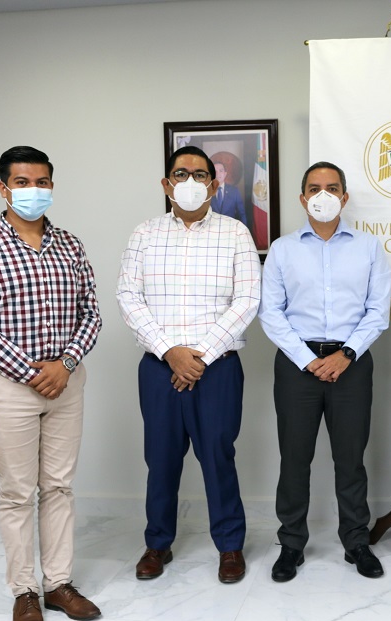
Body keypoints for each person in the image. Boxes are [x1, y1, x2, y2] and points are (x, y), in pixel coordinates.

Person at [0, 146, 102, 621]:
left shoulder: (70, 245)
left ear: (52, 186)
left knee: (58, 486)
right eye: (22, 182)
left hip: (66, 382)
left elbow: (91, 314)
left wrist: (65, 365)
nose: (32, 190)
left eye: (41, 182)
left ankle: (58, 584)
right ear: (3, 188)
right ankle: (24, 592)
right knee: (17, 492)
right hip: (9, 386)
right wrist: (31, 372)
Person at [117, 145, 261, 585]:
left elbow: (247, 300)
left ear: (214, 185)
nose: (191, 182)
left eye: (200, 175)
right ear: (167, 184)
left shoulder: (235, 234)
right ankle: (157, 543)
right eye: (181, 174)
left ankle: (230, 546)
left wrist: (200, 355)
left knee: (218, 456)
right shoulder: (144, 234)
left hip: (217, 368)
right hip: (159, 367)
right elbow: (129, 297)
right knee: (160, 459)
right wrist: (171, 353)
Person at [259, 161, 391, 582]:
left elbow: (378, 311)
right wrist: (307, 359)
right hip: (297, 365)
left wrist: (345, 355)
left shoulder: (368, 247)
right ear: (302, 199)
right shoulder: (283, 249)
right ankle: (291, 545)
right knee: (294, 459)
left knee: (350, 460)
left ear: (344, 197)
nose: (323, 195)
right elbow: (270, 312)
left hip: (351, 364)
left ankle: (356, 542)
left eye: (332, 188)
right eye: (314, 188)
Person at [210, 151, 248, 231]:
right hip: (211, 231)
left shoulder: (234, 191)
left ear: (225, 174)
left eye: (221, 171)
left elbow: (242, 214)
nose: (218, 174)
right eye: (215, 171)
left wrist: (244, 231)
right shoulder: (207, 191)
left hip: (230, 231)